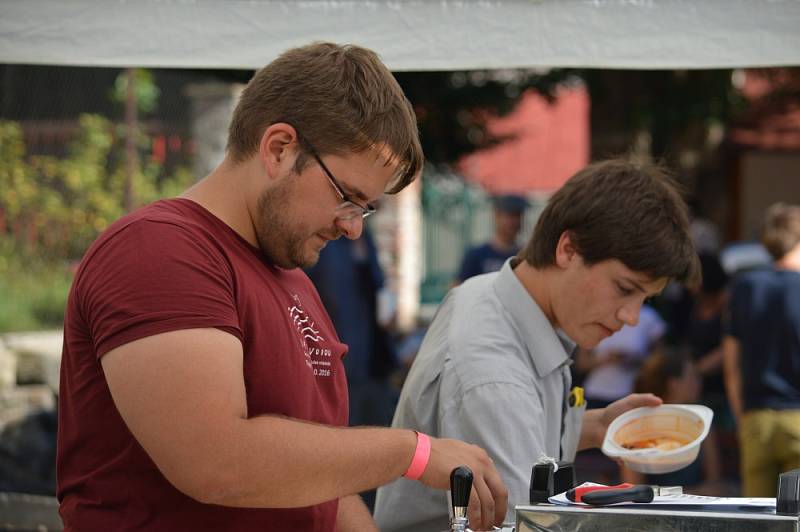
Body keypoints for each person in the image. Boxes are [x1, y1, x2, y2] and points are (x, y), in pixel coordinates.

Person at [57, 42, 509, 531]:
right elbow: (216, 461)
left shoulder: (290, 274)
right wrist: (410, 453)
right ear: (278, 148)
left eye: (365, 208)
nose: (353, 227)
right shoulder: (159, 251)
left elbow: (317, 487)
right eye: (348, 198)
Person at [374, 158, 700, 531]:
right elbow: (528, 523)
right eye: (624, 289)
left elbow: (521, 429)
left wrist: (593, 427)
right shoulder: (496, 376)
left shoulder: (493, 293)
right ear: (568, 250)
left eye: (645, 299)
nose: (632, 317)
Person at [723, 202, 800, 497]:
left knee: (758, 515)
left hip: (756, 416)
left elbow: (732, 363)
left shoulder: (745, 286)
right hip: (797, 416)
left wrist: (741, 414)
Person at [622, 348, 724, 495]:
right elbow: (633, 489)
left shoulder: (702, 422)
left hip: (695, 508)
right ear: (673, 384)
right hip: (654, 509)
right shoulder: (637, 427)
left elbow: (714, 484)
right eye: (693, 376)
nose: (699, 382)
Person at [456, 194, 528, 282]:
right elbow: (458, 288)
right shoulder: (476, 255)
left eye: (518, 215)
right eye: (510, 215)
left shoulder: (525, 257)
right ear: (496, 215)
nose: (515, 221)